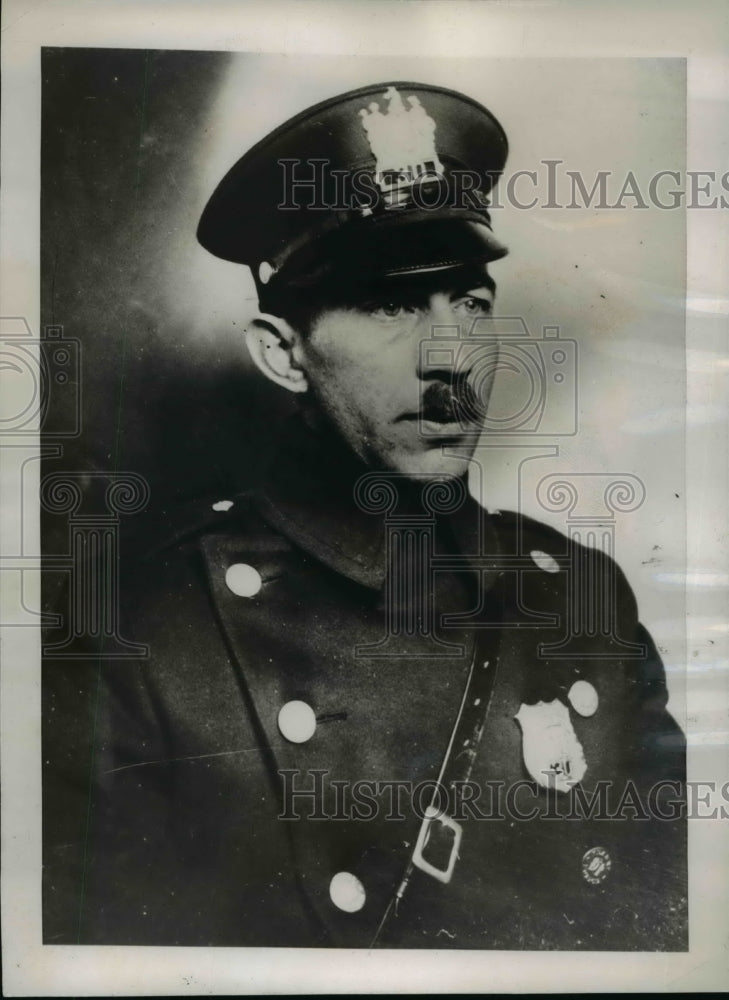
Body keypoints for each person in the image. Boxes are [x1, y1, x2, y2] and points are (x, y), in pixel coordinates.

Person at [43, 80, 687, 949]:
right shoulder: (136, 621)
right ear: (282, 353)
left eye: (469, 302)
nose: (450, 360)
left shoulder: (582, 602)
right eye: (389, 306)